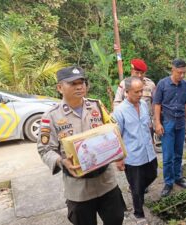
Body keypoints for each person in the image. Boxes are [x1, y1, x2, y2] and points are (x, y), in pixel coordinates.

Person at [37, 66, 125, 225]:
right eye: (73, 83)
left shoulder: (97, 106)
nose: (79, 86)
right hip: (78, 189)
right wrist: (60, 161)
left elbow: (114, 129)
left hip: (106, 182)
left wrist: (116, 149)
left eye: (82, 82)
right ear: (59, 88)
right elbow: (45, 149)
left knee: (116, 220)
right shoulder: (51, 116)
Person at [113, 76, 157, 225]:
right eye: (136, 92)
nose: (140, 94)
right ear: (127, 92)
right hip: (132, 156)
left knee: (153, 174)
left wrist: (151, 141)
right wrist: (119, 158)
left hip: (148, 152)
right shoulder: (119, 111)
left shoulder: (144, 104)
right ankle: (139, 214)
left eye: (141, 91)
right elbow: (116, 136)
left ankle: (135, 190)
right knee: (137, 188)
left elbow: (147, 126)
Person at [153, 59, 186, 197]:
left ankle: (178, 178)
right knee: (168, 155)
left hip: (180, 123)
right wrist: (157, 123)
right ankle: (168, 182)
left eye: (184, 73)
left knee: (178, 153)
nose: (181, 76)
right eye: (179, 73)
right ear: (172, 70)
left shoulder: (185, 86)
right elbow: (157, 105)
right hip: (167, 123)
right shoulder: (162, 84)